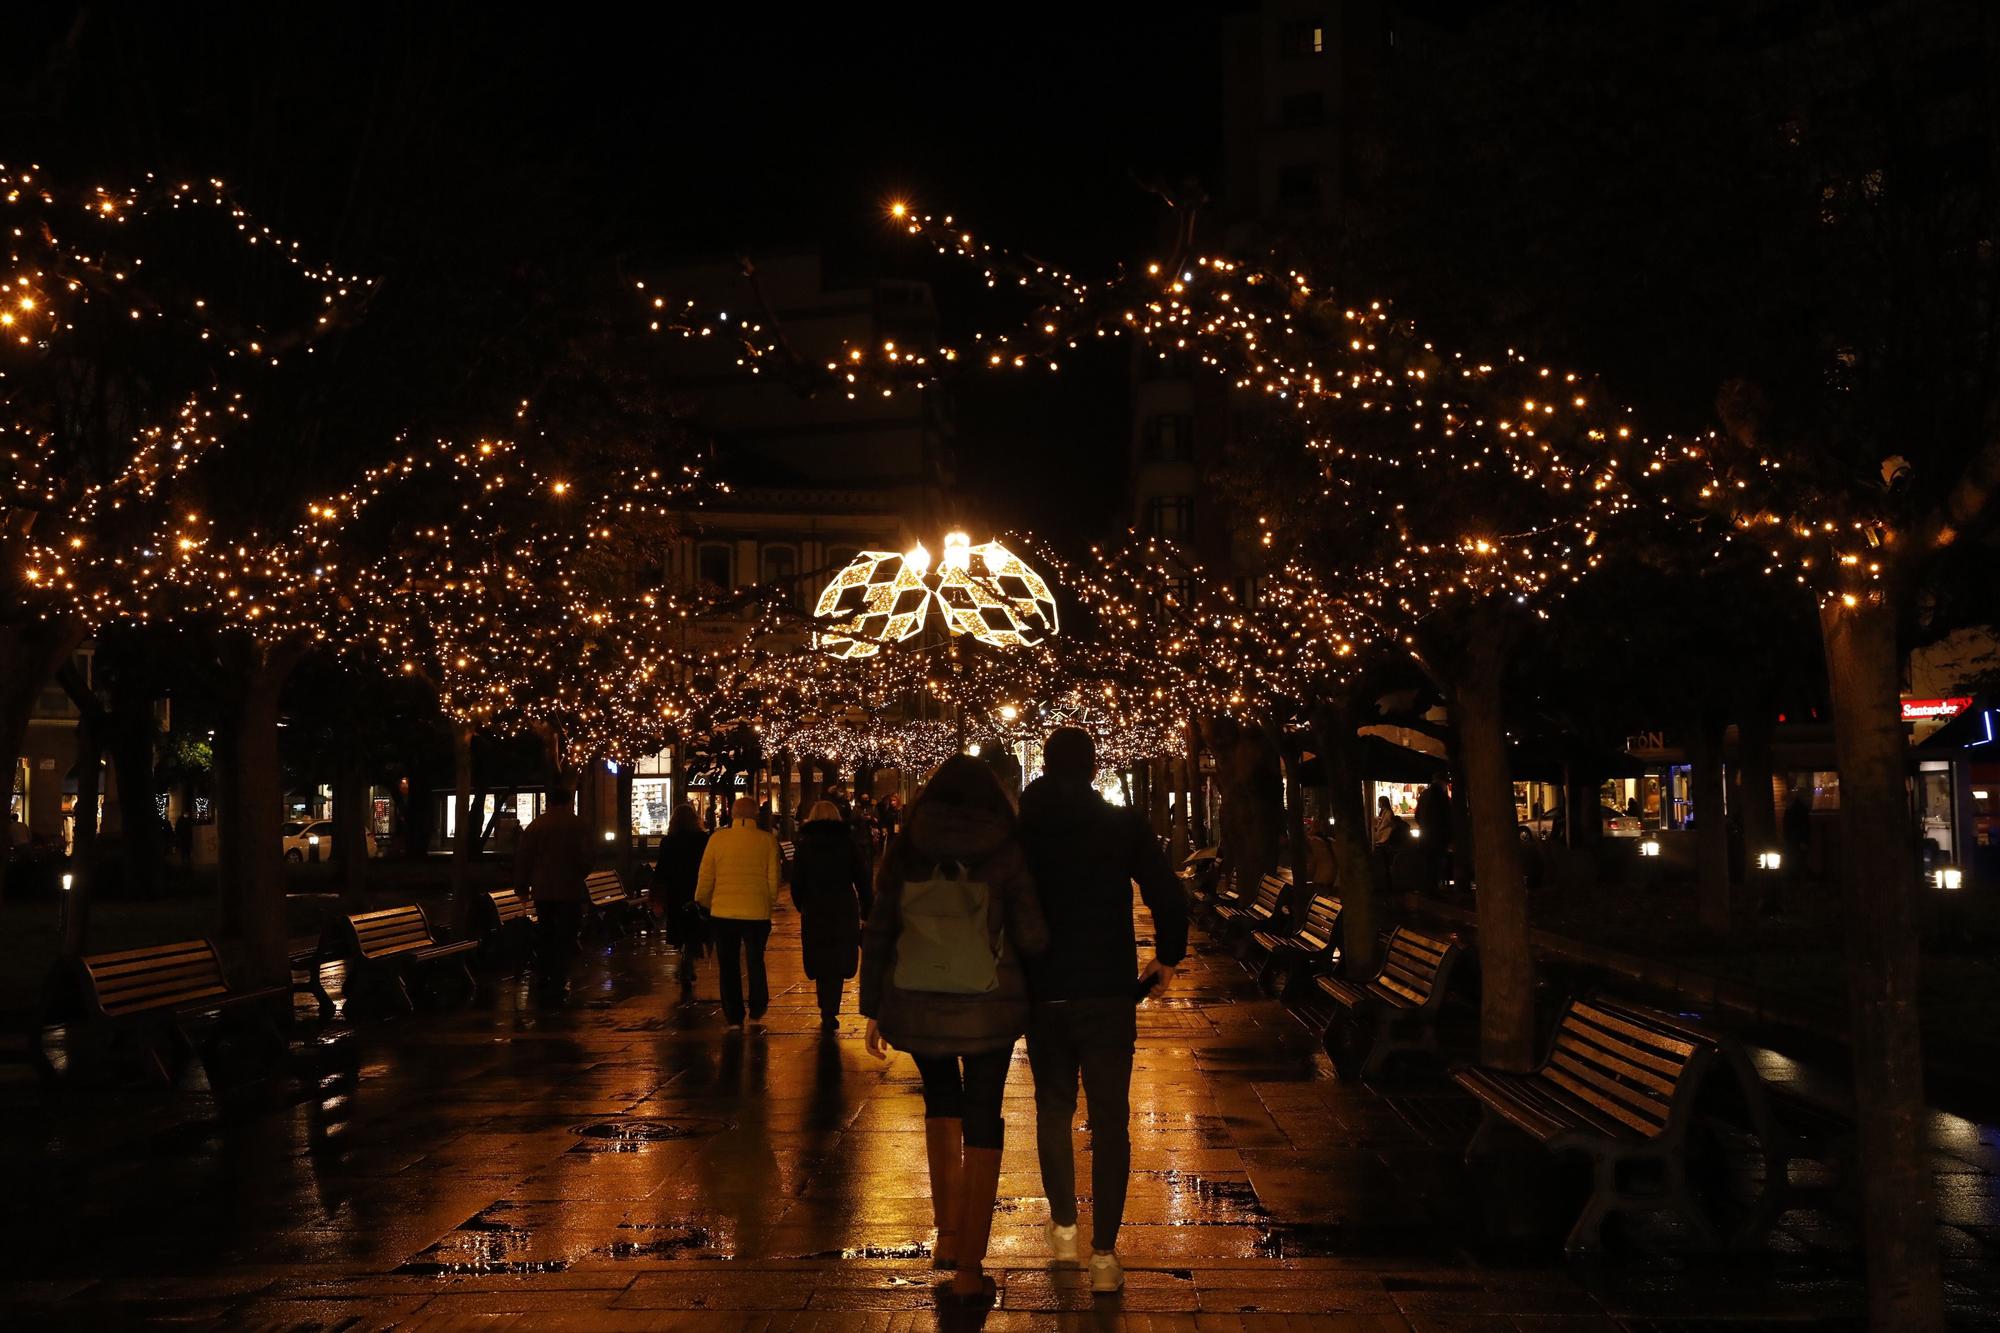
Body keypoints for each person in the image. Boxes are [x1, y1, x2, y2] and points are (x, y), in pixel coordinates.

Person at [861, 754, 1047, 1306]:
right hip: (991, 1005)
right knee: (984, 1112)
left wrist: (872, 1006)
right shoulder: (1008, 851)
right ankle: (970, 1265)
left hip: (917, 1002)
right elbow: (1033, 935)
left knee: (940, 1100)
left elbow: (879, 929)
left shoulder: (907, 848)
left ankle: (946, 1236)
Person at [1018, 727, 1187, 1293]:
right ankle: (1105, 1255)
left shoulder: (1026, 828)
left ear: (1045, 765)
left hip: (1045, 990)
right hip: (1109, 992)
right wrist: (1167, 956)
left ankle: (1064, 1225)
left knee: (1053, 1108)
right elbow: (1165, 890)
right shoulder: (1120, 825)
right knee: (1111, 1120)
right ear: (1093, 769)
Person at [696, 794, 781, 1028]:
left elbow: (706, 876)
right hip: (756, 911)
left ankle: (733, 1014)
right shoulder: (766, 840)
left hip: (723, 912)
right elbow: (773, 878)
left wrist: (703, 900)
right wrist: (768, 900)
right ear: (755, 814)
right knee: (755, 959)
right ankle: (757, 1004)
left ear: (732, 814)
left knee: (729, 964)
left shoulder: (717, 839)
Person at [792, 799, 872, 1028]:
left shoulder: (805, 845)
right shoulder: (848, 844)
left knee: (820, 957)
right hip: (843, 908)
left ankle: (826, 1008)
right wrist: (867, 907)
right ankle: (830, 1008)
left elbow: (797, 881)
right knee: (838, 957)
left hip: (815, 908)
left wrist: (802, 904)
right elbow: (863, 878)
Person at [517, 776, 592, 1006]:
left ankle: (544, 975)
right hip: (569, 889)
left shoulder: (536, 826)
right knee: (567, 935)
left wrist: (522, 887)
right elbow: (587, 857)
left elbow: (524, 858)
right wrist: (579, 873)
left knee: (546, 933)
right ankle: (559, 978)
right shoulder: (578, 825)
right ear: (569, 801)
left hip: (543, 890)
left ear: (549, 802)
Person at [654, 803, 710, 984]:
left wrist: (658, 889)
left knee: (680, 924)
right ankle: (688, 958)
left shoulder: (669, 840)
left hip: (675, 889)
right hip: (696, 887)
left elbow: (662, 868)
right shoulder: (703, 839)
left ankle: (685, 955)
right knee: (695, 925)